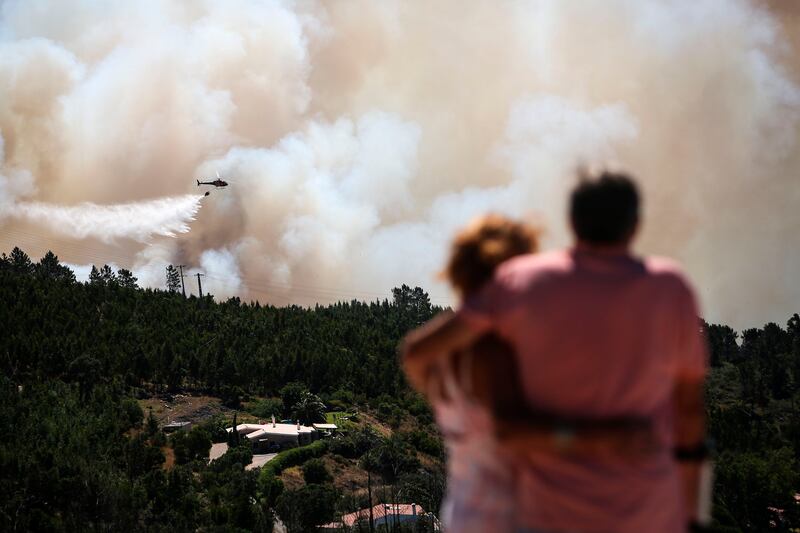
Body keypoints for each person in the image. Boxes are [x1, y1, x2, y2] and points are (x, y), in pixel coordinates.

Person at [403, 172, 708, 533]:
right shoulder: (671, 287)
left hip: (471, 515)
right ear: (636, 224)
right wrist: (610, 439)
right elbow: (511, 431)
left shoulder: (447, 361)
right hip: (523, 518)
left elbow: (415, 353)